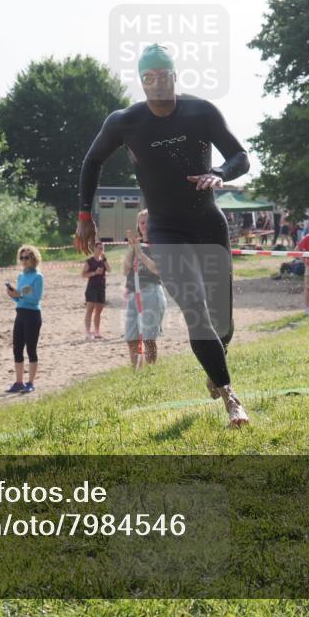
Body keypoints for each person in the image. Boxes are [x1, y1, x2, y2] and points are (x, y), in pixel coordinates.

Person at [75, 43, 250, 427]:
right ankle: (231, 397)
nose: (156, 83)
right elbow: (92, 160)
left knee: (223, 322)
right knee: (195, 311)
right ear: (142, 81)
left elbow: (241, 157)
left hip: (207, 224)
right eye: (148, 77)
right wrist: (85, 214)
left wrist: (219, 173)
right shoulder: (125, 121)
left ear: (174, 76)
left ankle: (215, 369)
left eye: (163, 75)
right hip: (166, 229)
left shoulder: (201, 111)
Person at [123, 210, 166, 367]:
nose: (144, 225)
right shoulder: (137, 244)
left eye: (147, 222)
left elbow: (157, 270)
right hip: (132, 293)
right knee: (131, 337)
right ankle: (136, 371)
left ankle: (150, 371)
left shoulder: (159, 244)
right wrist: (132, 248)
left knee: (148, 338)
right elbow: (125, 270)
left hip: (151, 291)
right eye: (141, 222)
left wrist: (140, 253)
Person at [6, 245, 44, 393]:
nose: (24, 260)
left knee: (31, 349)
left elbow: (36, 299)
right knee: (17, 348)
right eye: (21, 258)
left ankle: (30, 383)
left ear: (34, 258)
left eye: (27, 257)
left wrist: (20, 295)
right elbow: (19, 299)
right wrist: (13, 295)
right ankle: (18, 382)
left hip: (33, 315)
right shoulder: (21, 276)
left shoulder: (38, 277)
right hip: (20, 313)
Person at [82, 241, 110, 340]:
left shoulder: (103, 261)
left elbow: (109, 270)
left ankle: (97, 331)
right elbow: (83, 274)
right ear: (95, 249)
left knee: (99, 311)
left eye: (102, 249)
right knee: (90, 309)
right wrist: (94, 273)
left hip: (101, 287)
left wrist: (105, 259)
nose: (101, 250)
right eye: (99, 248)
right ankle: (87, 331)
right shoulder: (89, 261)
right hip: (92, 287)